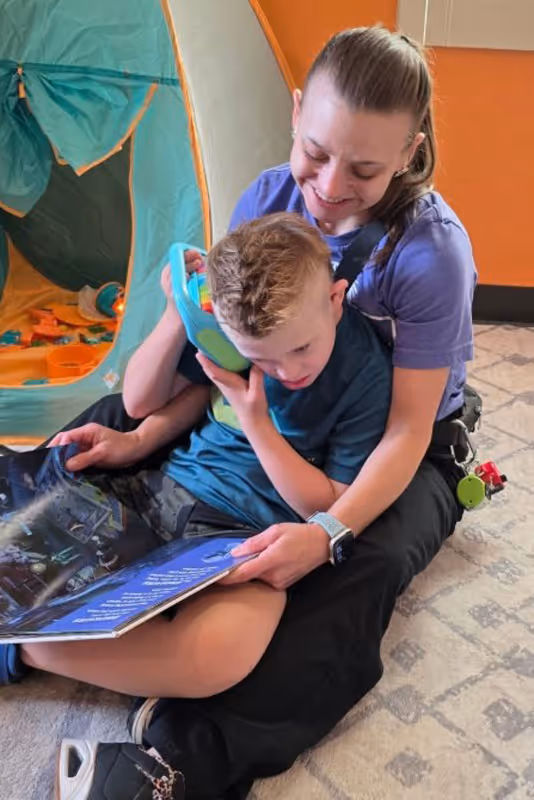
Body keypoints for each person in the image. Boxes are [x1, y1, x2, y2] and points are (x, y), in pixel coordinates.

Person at [5, 24, 477, 800]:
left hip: (393, 435)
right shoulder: (268, 197)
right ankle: (29, 597)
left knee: (367, 566)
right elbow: (231, 361)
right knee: (97, 435)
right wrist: (148, 431)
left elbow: (407, 428)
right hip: (254, 414)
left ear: (410, 151)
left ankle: (179, 761)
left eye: (364, 169)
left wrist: (326, 534)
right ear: (295, 114)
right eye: (316, 153)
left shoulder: (431, 255)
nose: (327, 188)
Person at [0, 213, 392, 799]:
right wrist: (137, 429)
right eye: (261, 359)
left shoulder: (363, 373)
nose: (286, 370)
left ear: (336, 299)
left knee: (221, 656)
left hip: (243, 532)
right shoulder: (239, 336)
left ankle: (22, 647)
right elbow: (181, 398)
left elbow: (325, 505)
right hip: (157, 489)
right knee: (33, 529)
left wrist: (258, 421)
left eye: (300, 349)